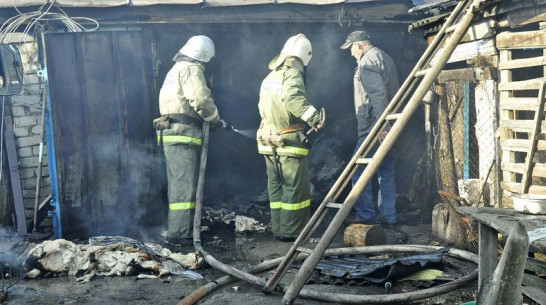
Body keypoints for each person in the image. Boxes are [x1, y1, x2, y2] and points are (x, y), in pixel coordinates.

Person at [156, 35, 225, 246]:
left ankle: (179, 229)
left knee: (178, 183)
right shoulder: (191, 69)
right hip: (182, 134)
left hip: (172, 134)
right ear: (202, 56)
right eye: (206, 60)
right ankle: (180, 233)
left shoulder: (175, 69)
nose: (205, 64)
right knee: (183, 186)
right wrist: (215, 119)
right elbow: (201, 99)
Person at [256, 34, 323, 242]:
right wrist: (313, 117)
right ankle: (291, 232)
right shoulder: (292, 74)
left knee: (276, 187)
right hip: (287, 140)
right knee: (294, 187)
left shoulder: (270, 77)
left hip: (268, 139)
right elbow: (293, 99)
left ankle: (279, 228)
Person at [340, 30, 399, 226]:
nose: (350, 54)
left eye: (351, 49)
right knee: (386, 171)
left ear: (359, 45)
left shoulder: (367, 62)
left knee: (358, 173)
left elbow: (378, 95)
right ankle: (389, 217)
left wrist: (381, 126)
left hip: (373, 129)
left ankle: (365, 217)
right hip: (388, 126)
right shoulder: (385, 57)